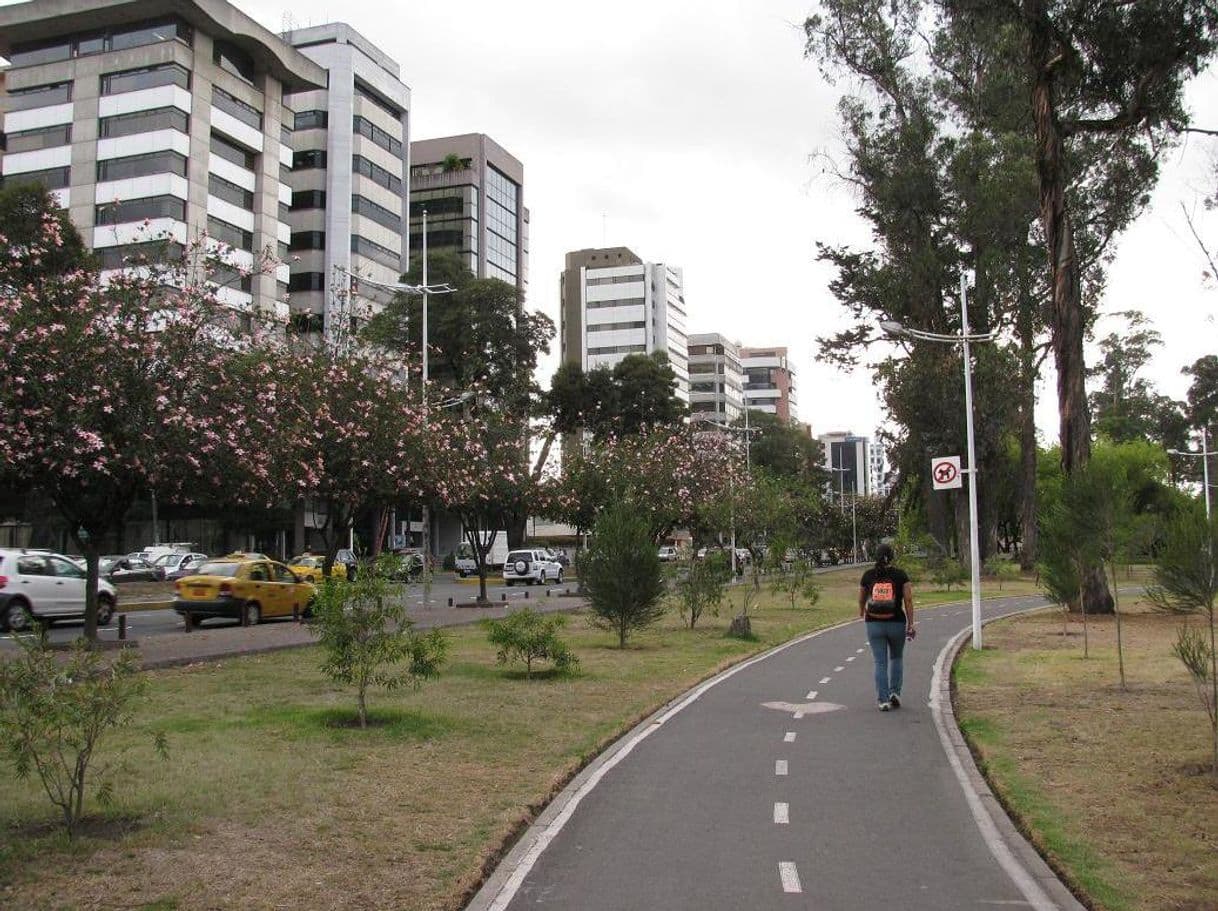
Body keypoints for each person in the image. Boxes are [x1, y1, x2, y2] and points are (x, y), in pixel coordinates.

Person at [858, 543, 915, 711]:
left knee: (880, 662)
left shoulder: (868, 576)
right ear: (892, 557)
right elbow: (908, 600)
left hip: (874, 624)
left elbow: (861, 598)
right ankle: (895, 693)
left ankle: (883, 700)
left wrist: (862, 612)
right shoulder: (900, 575)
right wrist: (911, 623)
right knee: (896, 658)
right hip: (896, 622)